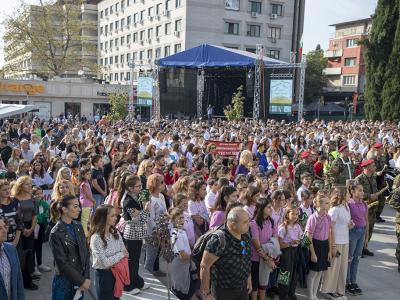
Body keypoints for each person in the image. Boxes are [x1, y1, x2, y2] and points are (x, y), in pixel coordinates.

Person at [200, 206, 252, 300]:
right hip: (223, 291)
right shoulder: (218, 240)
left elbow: (245, 256)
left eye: (248, 220)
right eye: (245, 222)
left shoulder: (245, 234)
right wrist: (206, 293)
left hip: (242, 287)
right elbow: (204, 266)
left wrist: (248, 277)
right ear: (232, 224)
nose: (248, 224)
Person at [49, 195, 91, 300]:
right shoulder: (56, 233)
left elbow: (86, 253)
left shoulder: (78, 226)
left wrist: (86, 278)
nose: (79, 209)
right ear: (64, 209)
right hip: (64, 281)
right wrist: (82, 280)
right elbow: (62, 263)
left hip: (80, 278)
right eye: (76, 206)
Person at [89, 205, 129, 300]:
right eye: (112, 216)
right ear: (103, 217)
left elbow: (125, 253)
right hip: (104, 276)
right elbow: (105, 263)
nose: (116, 218)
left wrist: (120, 256)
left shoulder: (115, 233)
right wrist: (121, 255)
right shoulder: (96, 238)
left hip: (117, 274)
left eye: (115, 215)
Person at [120, 175, 151, 294]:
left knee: (137, 259)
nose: (141, 188)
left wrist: (144, 206)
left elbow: (145, 202)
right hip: (132, 233)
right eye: (138, 186)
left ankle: (137, 280)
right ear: (130, 188)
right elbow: (139, 219)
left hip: (138, 233)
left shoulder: (138, 194)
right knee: (131, 260)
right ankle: (127, 285)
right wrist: (146, 210)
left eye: (140, 185)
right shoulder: (128, 201)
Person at [321, 186, 351, 299]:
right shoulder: (334, 210)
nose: (349, 195)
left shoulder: (346, 207)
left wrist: (349, 225)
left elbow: (344, 223)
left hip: (345, 240)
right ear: (342, 195)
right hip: (336, 241)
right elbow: (329, 228)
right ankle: (328, 290)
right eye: (348, 193)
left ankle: (339, 289)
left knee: (342, 267)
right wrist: (332, 245)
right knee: (333, 268)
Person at [355, 159, 388, 256]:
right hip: (363, 207)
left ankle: (365, 247)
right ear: (368, 167)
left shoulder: (373, 177)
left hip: (373, 207)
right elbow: (357, 193)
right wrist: (370, 196)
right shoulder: (359, 179)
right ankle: (359, 249)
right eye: (373, 166)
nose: (375, 167)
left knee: (370, 228)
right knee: (362, 228)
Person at [11, 176, 38, 290]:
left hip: (29, 228)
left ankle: (28, 279)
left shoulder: (32, 198)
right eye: (27, 184)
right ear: (20, 185)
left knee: (30, 253)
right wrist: (23, 230)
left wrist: (31, 229)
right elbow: (16, 217)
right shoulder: (13, 199)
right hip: (17, 228)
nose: (30, 186)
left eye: (30, 184)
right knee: (19, 254)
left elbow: (35, 215)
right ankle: (19, 279)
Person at [305, 193, 333, 300]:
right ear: (319, 204)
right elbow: (308, 237)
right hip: (315, 245)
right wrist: (313, 253)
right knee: (313, 273)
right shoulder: (313, 218)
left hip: (324, 245)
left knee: (320, 272)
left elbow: (329, 234)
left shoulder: (328, 217)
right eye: (326, 203)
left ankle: (314, 295)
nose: (328, 204)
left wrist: (330, 251)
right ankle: (310, 295)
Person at [250, 198, 276, 300]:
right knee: (254, 285)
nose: (271, 209)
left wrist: (272, 257)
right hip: (255, 259)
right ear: (261, 208)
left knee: (263, 285)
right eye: (269, 207)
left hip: (268, 257)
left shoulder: (271, 221)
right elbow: (257, 245)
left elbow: (274, 239)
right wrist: (267, 259)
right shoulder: (253, 224)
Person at [169, 207, 197, 300]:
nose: (182, 220)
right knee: (181, 291)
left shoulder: (182, 231)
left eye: (182, 218)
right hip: (181, 266)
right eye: (179, 218)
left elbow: (187, 247)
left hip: (186, 264)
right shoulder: (175, 234)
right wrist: (195, 258)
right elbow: (183, 256)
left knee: (188, 290)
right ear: (173, 220)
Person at [347, 182, 369, 294]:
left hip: (362, 232)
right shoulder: (349, 204)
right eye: (359, 190)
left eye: (362, 190)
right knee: (349, 259)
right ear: (352, 192)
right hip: (353, 233)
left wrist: (366, 238)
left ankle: (353, 281)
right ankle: (347, 282)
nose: (362, 192)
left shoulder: (364, 204)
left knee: (357, 258)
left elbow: (366, 221)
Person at [277, 205, 302, 300]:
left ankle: (291, 293)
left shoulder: (297, 226)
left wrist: (300, 240)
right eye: (293, 214)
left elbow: (301, 237)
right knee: (285, 273)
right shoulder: (283, 227)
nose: (295, 216)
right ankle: (283, 295)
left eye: (297, 214)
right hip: (286, 252)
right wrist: (291, 243)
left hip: (295, 251)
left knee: (294, 273)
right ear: (287, 214)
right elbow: (279, 244)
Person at [0, 216, 25, 300]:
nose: (5, 231)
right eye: (0, 228)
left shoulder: (11, 249)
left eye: (4, 226)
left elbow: (19, 282)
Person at [32, 186, 52, 274]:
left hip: (41, 227)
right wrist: (39, 217)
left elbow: (46, 214)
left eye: (40, 193)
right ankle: (32, 266)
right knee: (32, 247)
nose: (39, 195)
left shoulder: (44, 204)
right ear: (32, 195)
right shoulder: (32, 203)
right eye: (36, 194)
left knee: (39, 246)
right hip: (33, 227)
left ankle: (40, 264)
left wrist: (40, 217)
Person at [79, 168, 96, 235]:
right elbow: (88, 195)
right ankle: (84, 233)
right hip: (86, 203)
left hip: (88, 203)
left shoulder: (87, 182)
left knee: (87, 218)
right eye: (87, 174)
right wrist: (93, 200)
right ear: (83, 175)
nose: (89, 175)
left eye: (90, 174)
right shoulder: (84, 184)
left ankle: (86, 232)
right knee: (84, 219)